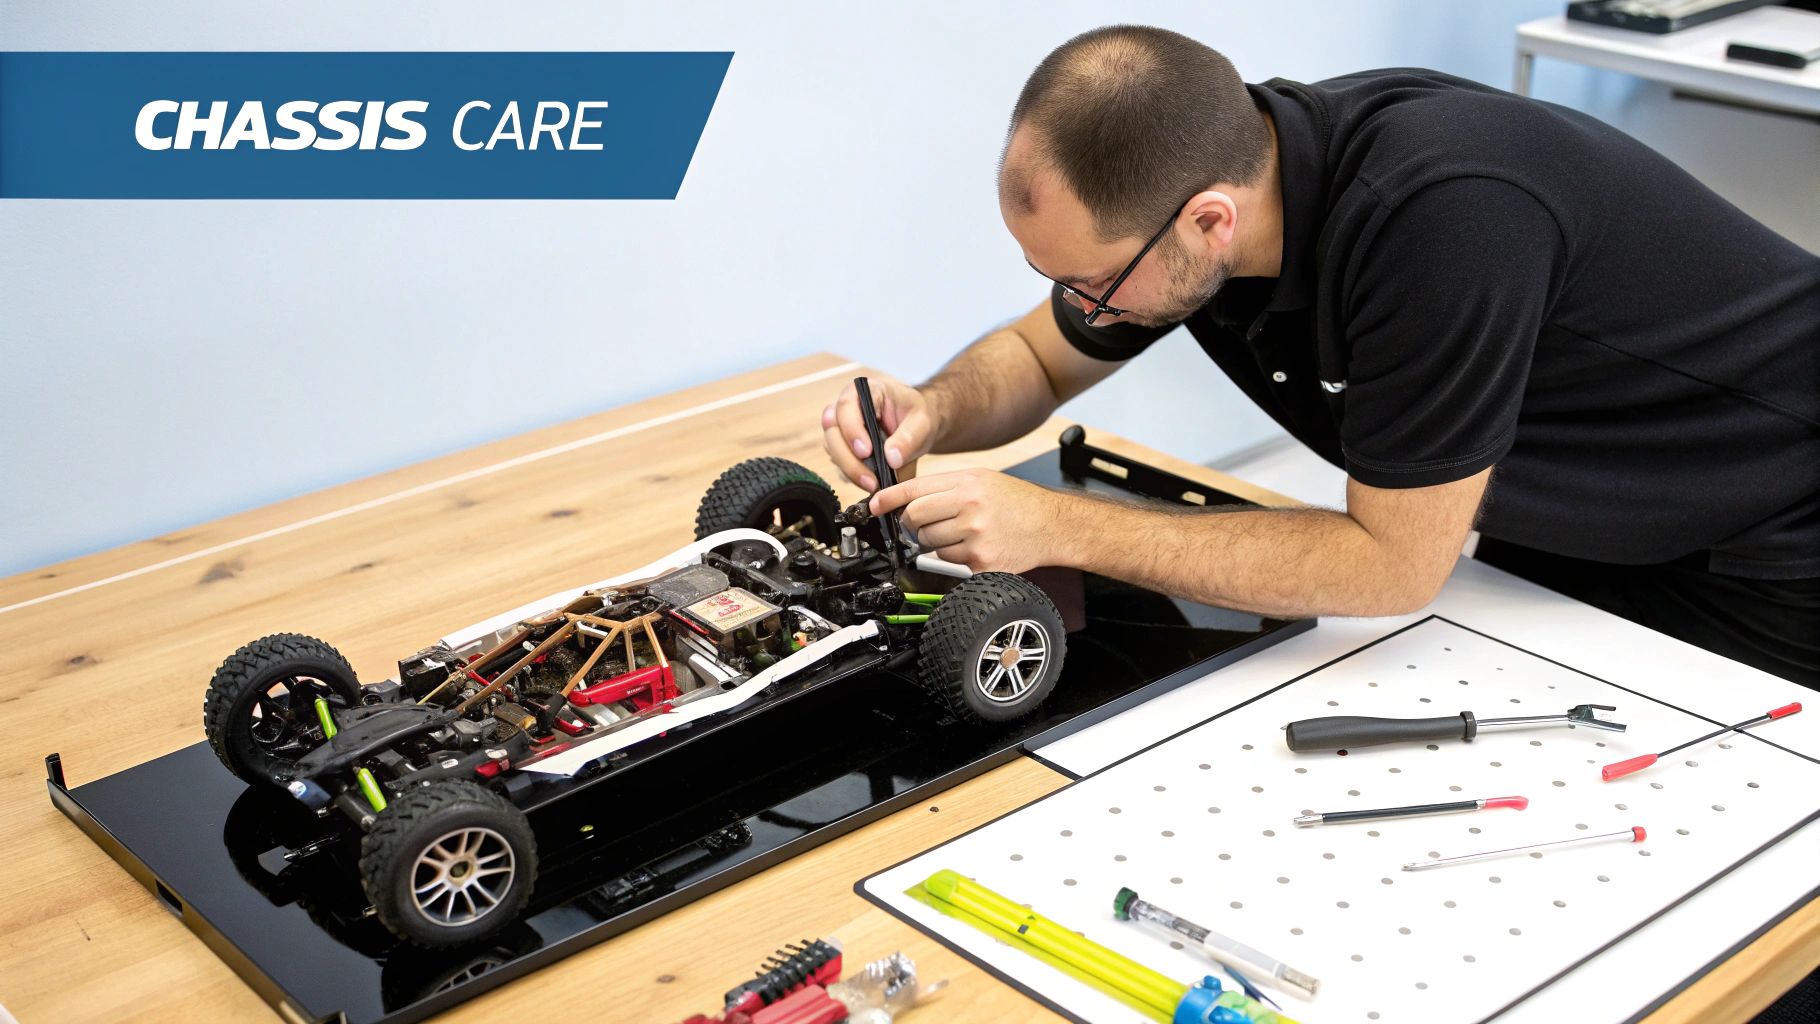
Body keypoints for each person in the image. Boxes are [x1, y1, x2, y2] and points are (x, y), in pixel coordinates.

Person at [818, 25, 1820, 686]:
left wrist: (1057, 525)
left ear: (1207, 221)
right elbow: (1038, 364)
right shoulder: (1214, 189)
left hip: (1767, 525)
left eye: (1095, 285)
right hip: (1570, 494)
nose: (1084, 308)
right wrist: (934, 409)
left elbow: (1391, 563)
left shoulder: (1441, 221)